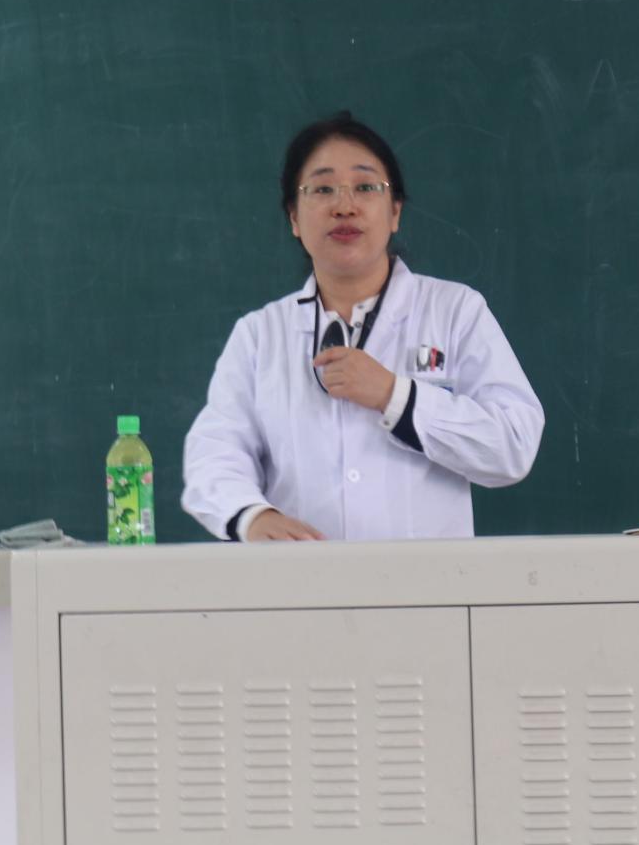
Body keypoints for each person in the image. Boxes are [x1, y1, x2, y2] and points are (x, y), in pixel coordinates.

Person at [182, 112, 544, 542]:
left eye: (366, 187)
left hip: (428, 580)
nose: (344, 206)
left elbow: (513, 446)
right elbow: (214, 454)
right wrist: (250, 516)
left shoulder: (455, 310)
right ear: (294, 218)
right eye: (322, 189)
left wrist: (396, 396)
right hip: (299, 579)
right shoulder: (260, 334)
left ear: (395, 213)